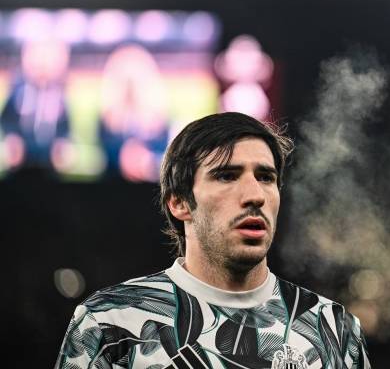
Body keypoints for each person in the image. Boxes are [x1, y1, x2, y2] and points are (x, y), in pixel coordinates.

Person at [55, 112, 372, 369]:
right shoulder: (109, 322)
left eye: (266, 177)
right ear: (179, 202)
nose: (255, 195)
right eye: (227, 176)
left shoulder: (335, 329)